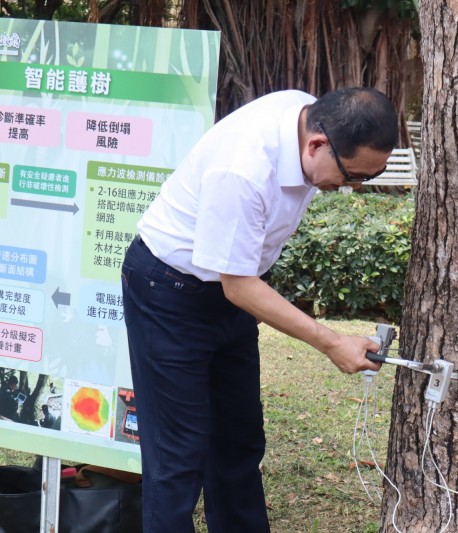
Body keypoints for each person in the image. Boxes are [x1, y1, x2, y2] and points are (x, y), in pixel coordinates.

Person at [121, 87, 395, 533]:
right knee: (178, 453)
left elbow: (239, 284)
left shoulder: (310, 113)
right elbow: (239, 287)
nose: (352, 189)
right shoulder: (244, 169)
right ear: (316, 145)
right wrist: (332, 343)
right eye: (351, 176)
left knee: (239, 439)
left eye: (367, 178)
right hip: (168, 292)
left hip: (230, 291)